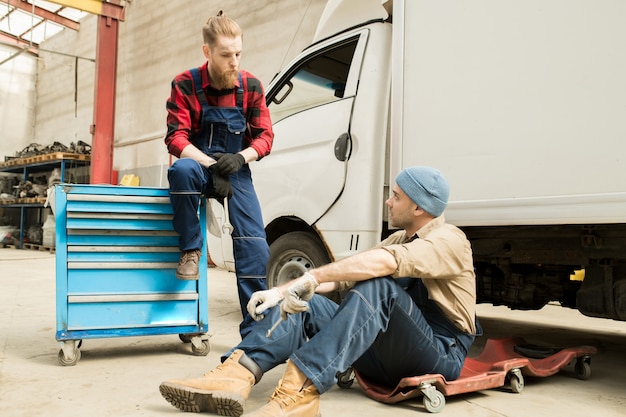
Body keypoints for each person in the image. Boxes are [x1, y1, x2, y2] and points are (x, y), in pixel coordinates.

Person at [159, 166, 480, 417]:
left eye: (396, 195)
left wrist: (306, 281)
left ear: (419, 207)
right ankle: (237, 374)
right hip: (391, 352)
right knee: (306, 303)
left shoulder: (450, 241)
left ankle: (299, 393)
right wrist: (286, 292)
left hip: (438, 354)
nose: (388, 200)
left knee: (379, 286)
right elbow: (346, 275)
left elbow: (382, 264)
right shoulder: (401, 238)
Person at [164, 11, 273, 338]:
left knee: (255, 246)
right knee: (181, 171)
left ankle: (256, 337)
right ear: (207, 51)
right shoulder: (185, 83)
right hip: (198, 164)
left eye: (238, 53)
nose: (234, 61)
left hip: (236, 169)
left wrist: (238, 160)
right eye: (226, 55)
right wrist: (211, 166)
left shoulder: (251, 85)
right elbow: (176, 138)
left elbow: (265, 137)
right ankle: (191, 250)